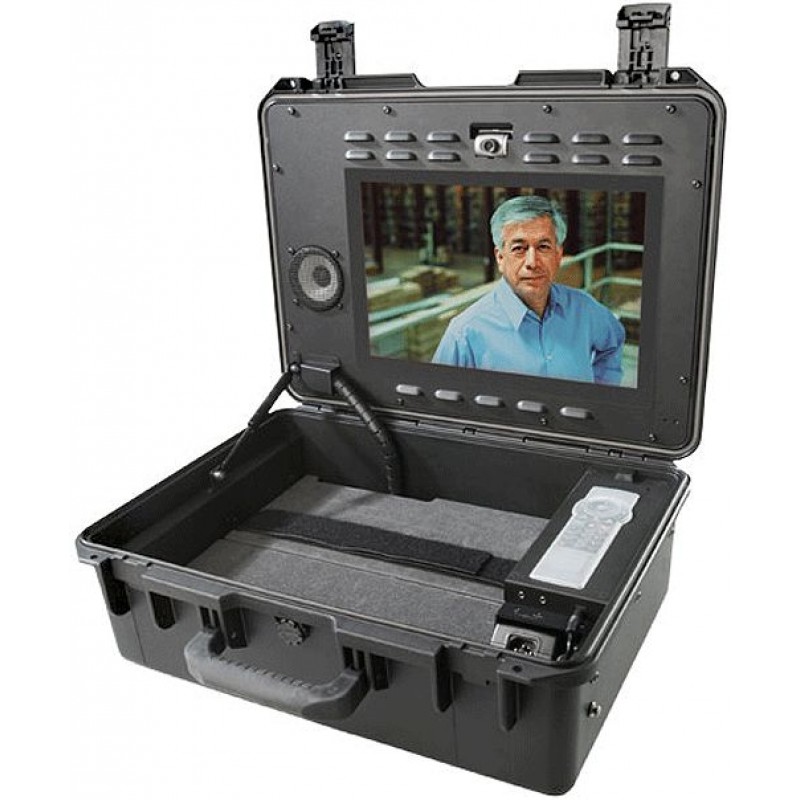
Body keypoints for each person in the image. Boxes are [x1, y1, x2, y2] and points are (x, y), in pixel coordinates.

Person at [432, 195, 625, 385]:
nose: (532, 262)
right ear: (500, 258)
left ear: (558, 255)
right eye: (519, 248)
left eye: (543, 247)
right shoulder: (465, 334)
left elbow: (613, 342)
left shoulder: (585, 309)